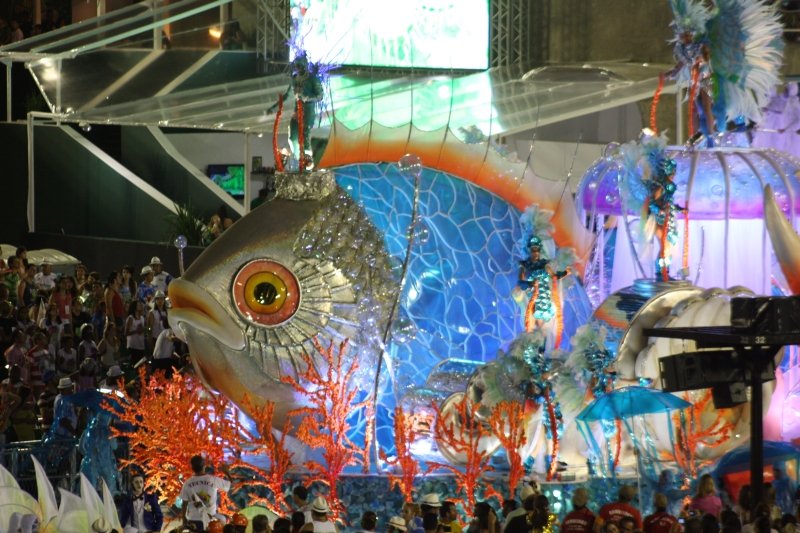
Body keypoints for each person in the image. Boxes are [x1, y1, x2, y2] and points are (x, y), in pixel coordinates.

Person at [179, 455, 235, 531]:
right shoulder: (212, 480)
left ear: (192, 468)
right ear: (204, 465)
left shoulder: (187, 483)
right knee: (222, 519)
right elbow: (232, 486)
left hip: (193, 520)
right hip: (210, 521)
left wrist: (184, 518)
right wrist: (227, 472)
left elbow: (184, 502)